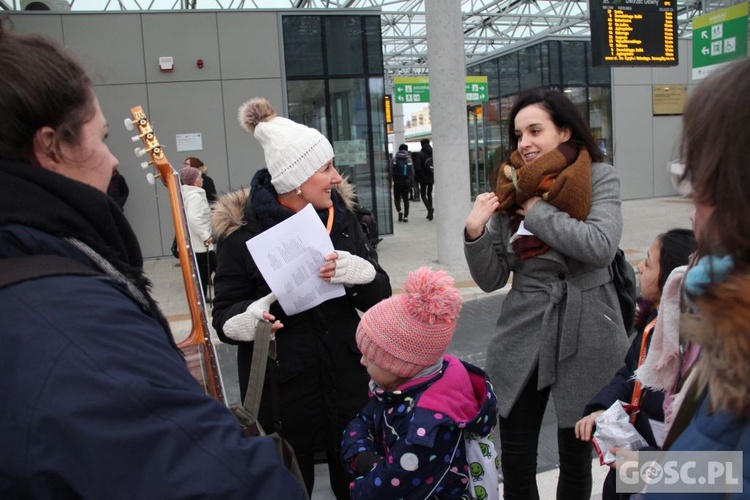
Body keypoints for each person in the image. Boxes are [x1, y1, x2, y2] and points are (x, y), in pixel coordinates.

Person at [0, 27, 305, 498]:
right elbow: (208, 474)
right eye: (101, 138)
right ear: (51, 146)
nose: (113, 160)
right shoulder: (72, 314)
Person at [212, 97, 392, 498]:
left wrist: (363, 275)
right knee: (291, 488)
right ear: (295, 180)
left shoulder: (342, 219)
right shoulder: (241, 234)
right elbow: (223, 317)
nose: (335, 177)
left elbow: (380, 296)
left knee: (361, 487)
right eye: (325, 168)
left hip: (348, 384)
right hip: (283, 397)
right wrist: (246, 320)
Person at [464, 88, 630, 499]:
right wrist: (474, 233)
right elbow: (491, 279)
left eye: (535, 130)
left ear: (565, 130)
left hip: (586, 322)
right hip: (524, 326)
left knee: (576, 459)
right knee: (517, 460)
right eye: (518, 134)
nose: (525, 143)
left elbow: (599, 245)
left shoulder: (599, 177)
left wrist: (537, 211)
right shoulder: (510, 185)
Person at [643, 58, 750, 498]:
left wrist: (642, 474)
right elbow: (721, 462)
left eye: (698, 180)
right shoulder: (728, 328)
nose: (692, 207)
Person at [341, 267, 499, 499]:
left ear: (399, 365)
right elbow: (362, 421)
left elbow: (383, 490)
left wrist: (360, 465)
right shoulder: (396, 387)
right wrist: (366, 458)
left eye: (371, 357)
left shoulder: (429, 425)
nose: (362, 360)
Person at [575, 228, 696, 500]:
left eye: (649, 263)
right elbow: (629, 374)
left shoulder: (705, 355)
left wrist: (648, 462)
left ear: (673, 279)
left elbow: (722, 467)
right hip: (632, 472)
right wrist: (601, 408)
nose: (639, 267)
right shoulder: (654, 327)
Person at [179, 165, 216, 300]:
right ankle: (202, 296)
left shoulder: (188, 193)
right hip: (200, 243)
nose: (202, 180)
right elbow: (193, 218)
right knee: (209, 267)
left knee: (203, 269)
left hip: (197, 242)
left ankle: (202, 295)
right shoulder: (195, 196)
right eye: (200, 178)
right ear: (194, 181)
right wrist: (205, 236)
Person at [392, 143, 414, 222]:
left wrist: (393, 179)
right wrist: (411, 181)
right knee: (406, 199)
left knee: (397, 198)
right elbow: (411, 171)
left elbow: (392, 170)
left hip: (397, 181)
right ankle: (406, 216)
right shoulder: (409, 159)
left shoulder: (395, 159)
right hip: (406, 181)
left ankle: (399, 211)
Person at [414, 138, 434, 220]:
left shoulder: (420, 154)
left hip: (423, 178)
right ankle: (430, 212)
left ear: (421, 144)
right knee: (429, 194)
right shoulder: (433, 152)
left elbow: (417, 167)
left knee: (423, 195)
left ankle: (429, 209)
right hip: (431, 175)